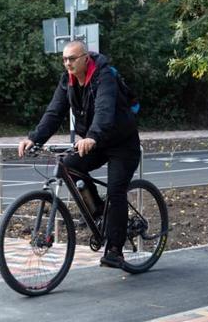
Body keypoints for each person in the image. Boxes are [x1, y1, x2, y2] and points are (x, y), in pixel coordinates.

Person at [18, 40, 140, 268]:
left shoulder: (104, 77)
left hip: (122, 143)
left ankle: (115, 250)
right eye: (64, 59)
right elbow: (54, 112)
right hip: (93, 142)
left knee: (116, 190)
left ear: (85, 58)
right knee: (68, 167)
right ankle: (100, 213)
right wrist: (34, 139)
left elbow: (104, 109)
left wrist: (92, 135)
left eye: (72, 58)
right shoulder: (68, 81)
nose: (67, 63)